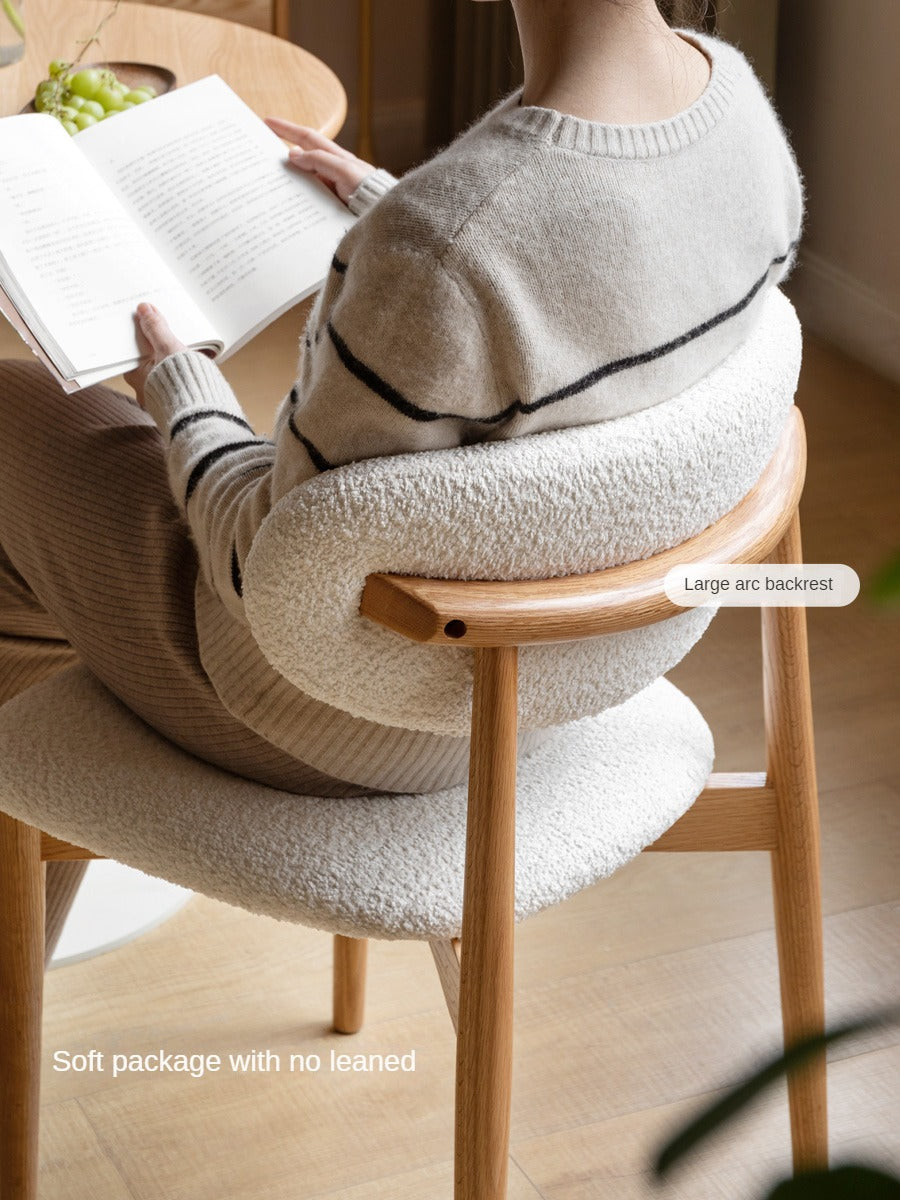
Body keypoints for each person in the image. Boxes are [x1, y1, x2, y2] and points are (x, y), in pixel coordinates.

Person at [0, 0, 803, 963]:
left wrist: (178, 381)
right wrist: (392, 209)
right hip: (552, 678)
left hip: (331, 712)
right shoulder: (734, 105)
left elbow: (265, 564)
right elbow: (598, 294)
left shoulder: (445, 245)